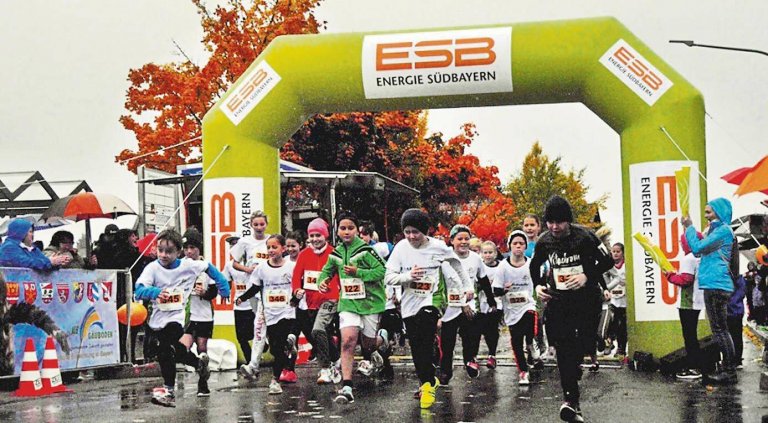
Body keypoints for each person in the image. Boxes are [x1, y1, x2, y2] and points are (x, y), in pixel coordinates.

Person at [530, 196, 613, 423]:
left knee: (585, 343)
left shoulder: (586, 236)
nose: (555, 227)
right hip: (559, 300)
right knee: (563, 348)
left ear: (568, 221)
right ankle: (570, 401)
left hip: (587, 299)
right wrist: (538, 285)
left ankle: (577, 362)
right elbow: (535, 265)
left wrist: (587, 276)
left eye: (560, 222)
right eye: (550, 222)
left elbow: (608, 262)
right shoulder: (545, 241)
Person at [134, 229, 230, 408]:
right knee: (176, 351)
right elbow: (138, 289)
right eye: (160, 250)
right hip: (157, 319)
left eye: (168, 251)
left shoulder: (188, 265)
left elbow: (211, 270)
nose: (163, 255)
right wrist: (155, 292)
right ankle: (198, 363)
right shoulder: (153, 268)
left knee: (164, 348)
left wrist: (224, 288)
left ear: (178, 252)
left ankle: (168, 391)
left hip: (178, 318)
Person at [384, 208, 468, 409]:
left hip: (433, 299)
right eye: (407, 232)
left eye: (416, 232)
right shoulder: (401, 248)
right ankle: (428, 379)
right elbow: (389, 277)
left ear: (425, 231)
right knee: (417, 345)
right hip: (409, 303)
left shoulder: (438, 247)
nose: (412, 236)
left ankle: (428, 385)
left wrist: (467, 288)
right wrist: (408, 277)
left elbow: (456, 264)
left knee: (425, 326)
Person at [317, 211, 388, 404]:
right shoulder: (336, 253)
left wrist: (360, 272)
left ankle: (382, 340)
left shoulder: (366, 250)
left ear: (357, 230)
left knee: (367, 345)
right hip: (348, 302)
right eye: (343, 228)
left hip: (370, 303)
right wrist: (322, 282)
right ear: (337, 230)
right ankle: (347, 387)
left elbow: (382, 271)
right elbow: (327, 271)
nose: (346, 231)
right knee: (347, 340)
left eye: (350, 228)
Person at [682, 197, 737, 384]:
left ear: (719, 212)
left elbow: (696, 247)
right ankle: (729, 368)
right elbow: (698, 252)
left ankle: (729, 371)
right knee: (720, 329)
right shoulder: (718, 231)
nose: (706, 216)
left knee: (720, 330)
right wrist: (689, 230)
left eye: (709, 212)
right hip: (716, 284)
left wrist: (689, 227)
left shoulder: (723, 231)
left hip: (716, 285)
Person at [236, 234, 297, 395]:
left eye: (274, 247)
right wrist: (242, 297)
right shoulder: (262, 268)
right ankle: (288, 346)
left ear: (283, 249)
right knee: (276, 347)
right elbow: (255, 287)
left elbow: (298, 285)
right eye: (268, 247)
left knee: (278, 346)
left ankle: (275, 380)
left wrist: (296, 298)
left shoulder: (290, 267)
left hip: (287, 311)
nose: (271, 250)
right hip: (270, 312)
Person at [439, 224, 496, 384]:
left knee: (471, 336)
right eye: (459, 239)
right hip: (450, 306)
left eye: (466, 238)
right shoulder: (445, 259)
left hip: (470, 306)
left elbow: (483, 280)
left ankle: (469, 360)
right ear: (451, 241)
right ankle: (445, 370)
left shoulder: (476, 258)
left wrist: (491, 301)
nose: (463, 242)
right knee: (448, 341)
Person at [291, 218, 342, 385]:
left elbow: (342, 275)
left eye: (318, 235)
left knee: (318, 330)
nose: (315, 239)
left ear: (325, 236)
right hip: (310, 301)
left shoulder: (334, 253)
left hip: (330, 299)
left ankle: (326, 368)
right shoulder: (304, 254)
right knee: (322, 334)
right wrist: (296, 289)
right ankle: (336, 360)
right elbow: (296, 275)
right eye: (312, 235)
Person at [179, 228, 220, 396]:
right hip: (186, 315)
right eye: (186, 248)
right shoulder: (181, 266)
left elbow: (215, 290)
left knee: (202, 348)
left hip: (203, 315)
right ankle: (198, 366)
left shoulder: (206, 267)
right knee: (182, 348)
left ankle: (203, 384)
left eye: (193, 248)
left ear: (199, 249)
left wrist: (205, 293)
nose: (189, 252)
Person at [494, 229, 539, 385]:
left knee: (531, 315)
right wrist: (504, 289)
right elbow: (496, 291)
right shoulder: (503, 267)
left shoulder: (531, 264)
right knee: (516, 341)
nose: (518, 246)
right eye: (515, 243)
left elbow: (539, 281)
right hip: (511, 309)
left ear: (526, 246)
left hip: (527, 304)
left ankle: (531, 343)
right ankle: (523, 372)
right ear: (510, 246)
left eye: (521, 243)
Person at [231, 211, 271, 380]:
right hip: (252, 287)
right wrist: (248, 269)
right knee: (259, 322)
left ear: (266, 224)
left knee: (264, 322)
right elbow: (234, 262)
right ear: (251, 225)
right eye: (256, 224)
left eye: (262, 224)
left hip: (270, 287)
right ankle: (257, 357)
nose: (259, 227)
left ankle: (255, 361)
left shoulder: (271, 240)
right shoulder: (245, 242)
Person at [664, 232, 704, 380]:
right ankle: (696, 366)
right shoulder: (701, 256)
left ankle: (693, 368)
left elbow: (686, 280)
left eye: (682, 242)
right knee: (692, 334)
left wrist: (670, 276)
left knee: (689, 336)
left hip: (687, 301)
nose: (681, 245)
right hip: (698, 300)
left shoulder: (688, 258)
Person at [222, 236, 257, 372]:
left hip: (254, 304)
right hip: (239, 305)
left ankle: (263, 347)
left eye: (236, 245)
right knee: (241, 337)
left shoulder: (253, 263)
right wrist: (225, 292)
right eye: (231, 246)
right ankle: (250, 363)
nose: (234, 248)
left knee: (256, 335)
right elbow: (226, 281)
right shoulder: (230, 265)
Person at [0, 218, 70, 269]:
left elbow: (43, 262)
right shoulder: (9, 247)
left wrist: (57, 263)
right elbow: (25, 262)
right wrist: (50, 261)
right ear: (21, 232)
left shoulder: (33, 248)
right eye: (30, 232)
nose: (32, 235)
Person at [479, 240, 503, 369]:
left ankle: (492, 355)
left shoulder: (501, 266)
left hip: (497, 302)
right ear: (481, 254)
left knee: (492, 328)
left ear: (495, 253)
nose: (488, 255)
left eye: (490, 252)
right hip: (482, 302)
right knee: (482, 329)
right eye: (485, 252)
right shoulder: (479, 266)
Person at [604, 243, 627, 360]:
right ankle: (609, 342)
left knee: (622, 326)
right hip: (613, 300)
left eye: (618, 251)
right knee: (610, 322)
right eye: (613, 251)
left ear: (623, 253)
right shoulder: (608, 266)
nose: (616, 254)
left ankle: (621, 348)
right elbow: (605, 280)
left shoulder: (627, 265)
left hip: (625, 300)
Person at [727, 273, 746, 369]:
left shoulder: (732, 277)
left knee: (733, 335)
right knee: (737, 335)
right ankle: (737, 359)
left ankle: (734, 359)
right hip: (737, 310)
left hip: (732, 310)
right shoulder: (740, 278)